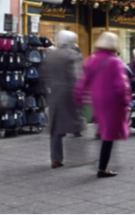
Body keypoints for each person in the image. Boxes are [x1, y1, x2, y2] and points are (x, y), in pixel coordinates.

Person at [74, 32, 132, 178]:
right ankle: (102, 168)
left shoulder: (92, 59)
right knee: (109, 134)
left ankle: (102, 163)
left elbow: (83, 80)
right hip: (112, 102)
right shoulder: (115, 61)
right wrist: (126, 101)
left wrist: (80, 97)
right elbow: (121, 86)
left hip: (97, 101)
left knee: (105, 130)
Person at [42, 30, 85, 169]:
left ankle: (56, 159)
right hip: (69, 94)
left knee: (56, 129)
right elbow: (75, 76)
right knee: (76, 124)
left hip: (55, 95)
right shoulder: (71, 54)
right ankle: (77, 157)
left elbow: (45, 75)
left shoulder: (51, 55)